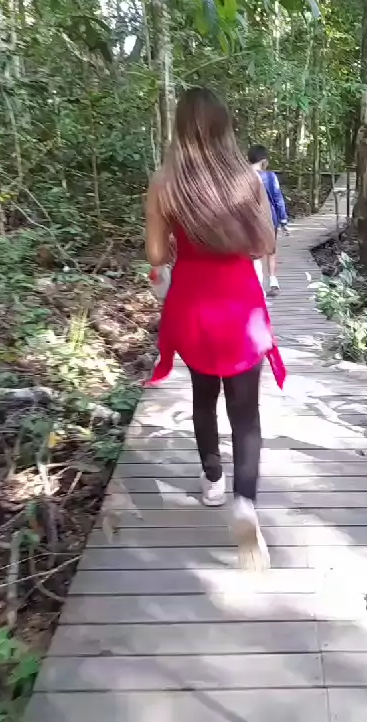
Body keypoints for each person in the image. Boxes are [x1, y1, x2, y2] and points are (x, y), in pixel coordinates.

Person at [145, 87, 286, 570]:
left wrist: (176, 236)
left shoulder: (164, 182)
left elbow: (156, 255)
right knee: (245, 416)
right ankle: (245, 502)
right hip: (239, 305)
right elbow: (264, 244)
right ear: (225, 127)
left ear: (180, 128)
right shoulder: (247, 179)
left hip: (193, 305)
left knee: (203, 396)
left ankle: (211, 480)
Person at [248, 144, 288, 294]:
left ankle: (258, 285)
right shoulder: (270, 176)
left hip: (251, 219)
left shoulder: (243, 176)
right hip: (270, 218)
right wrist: (283, 220)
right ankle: (273, 281)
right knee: (271, 250)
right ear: (264, 160)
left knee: (255, 253)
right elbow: (278, 199)